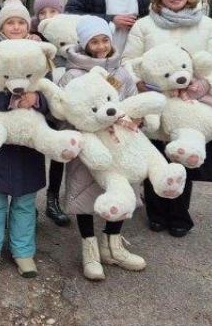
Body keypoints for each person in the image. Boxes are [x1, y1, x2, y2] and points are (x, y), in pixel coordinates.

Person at [122, 0, 212, 237]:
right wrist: (145, 83)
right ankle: (156, 210)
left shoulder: (208, 25)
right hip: (155, 100)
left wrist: (204, 85)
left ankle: (178, 213)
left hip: (190, 103)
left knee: (182, 154)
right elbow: (129, 62)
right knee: (155, 154)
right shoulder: (145, 25)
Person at [60, 16, 145, 280]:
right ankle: (90, 248)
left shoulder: (120, 72)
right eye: (93, 42)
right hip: (88, 144)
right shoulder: (73, 74)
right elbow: (64, 111)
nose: (100, 46)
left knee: (120, 189)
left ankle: (114, 244)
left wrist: (136, 117)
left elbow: (133, 100)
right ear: (84, 44)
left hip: (120, 142)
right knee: (85, 192)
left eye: (104, 40)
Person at [0, 0, 48, 279]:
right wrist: (8, 100)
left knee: (24, 202)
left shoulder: (38, 53)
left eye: (20, 22)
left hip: (28, 144)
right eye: (10, 22)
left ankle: (23, 252)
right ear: (1, 26)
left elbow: (51, 92)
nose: (16, 27)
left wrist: (36, 99)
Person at [32, 0, 70, 227]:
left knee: (59, 155)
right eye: (42, 12)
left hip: (62, 109)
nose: (48, 16)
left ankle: (53, 199)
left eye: (53, 11)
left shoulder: (70, 40)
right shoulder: (32, 39)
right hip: (38, 106)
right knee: (33, 155)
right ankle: (28, 205)